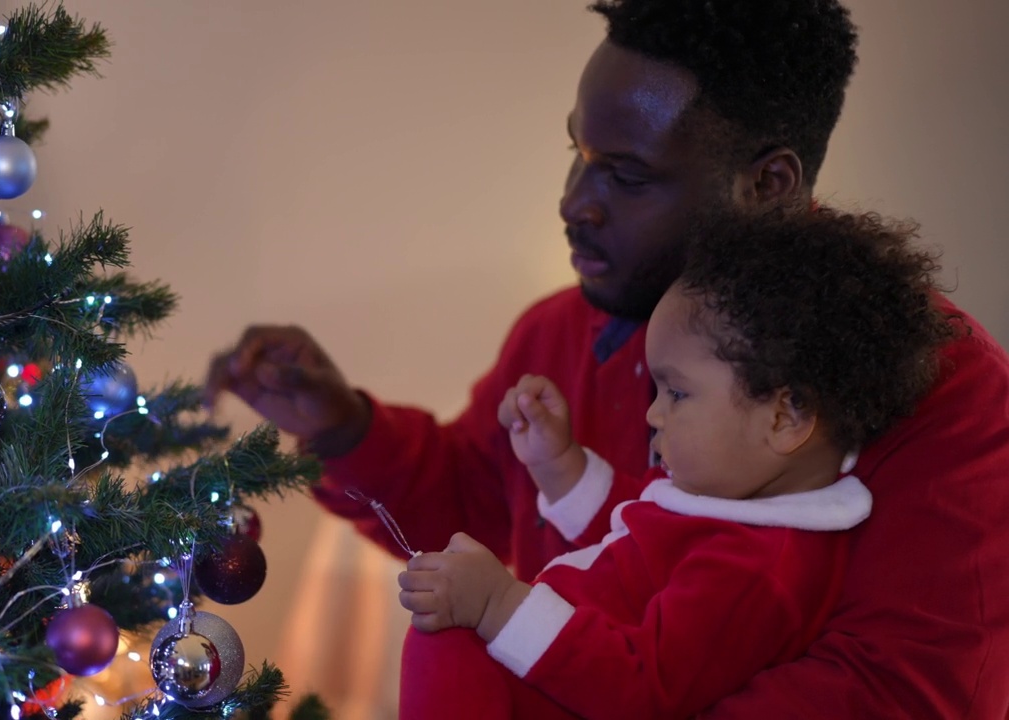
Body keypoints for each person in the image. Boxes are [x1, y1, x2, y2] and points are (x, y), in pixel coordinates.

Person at [203, 1, 1009, 715]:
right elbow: (484, 506)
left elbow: (896, 689)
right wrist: (344, 428)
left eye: (624, 174)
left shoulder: (938, 381)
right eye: (578, 155)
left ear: (768, 184)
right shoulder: (562, 329)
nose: (574, 202)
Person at [393, 207, 953, 719]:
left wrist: (499, 603)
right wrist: (559, 464)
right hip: (516, 680)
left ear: (786, 417)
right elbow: (632, 542)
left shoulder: (757, 570)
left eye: (676, 394)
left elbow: (643, 688)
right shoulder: (732, 502)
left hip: (537, 696)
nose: (654, 415)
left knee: (444, 639)